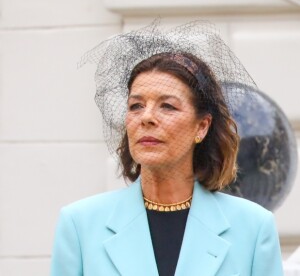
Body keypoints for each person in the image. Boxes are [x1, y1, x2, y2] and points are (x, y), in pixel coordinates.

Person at [51, 21, 284, 276]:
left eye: (168, 106)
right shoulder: (79, 224)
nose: (147, 117)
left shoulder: (253, 228)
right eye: (136, 106)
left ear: (202, 126)